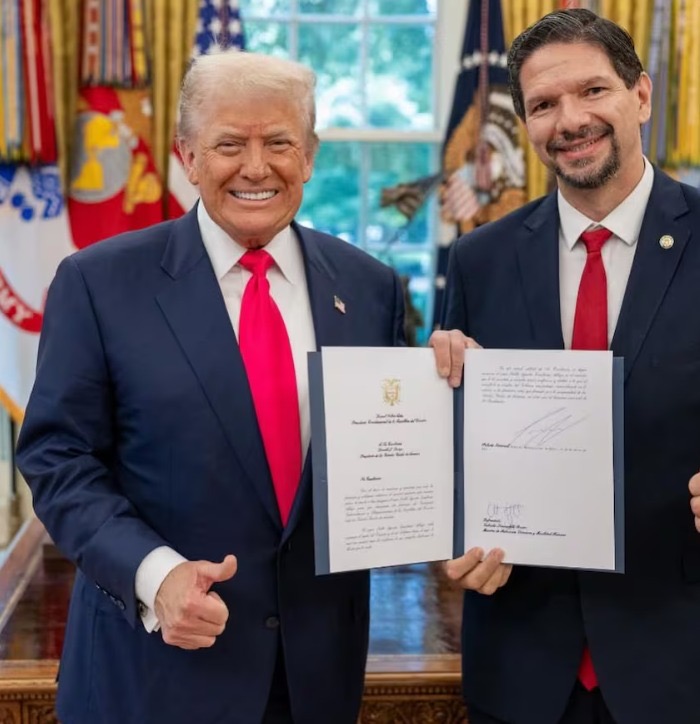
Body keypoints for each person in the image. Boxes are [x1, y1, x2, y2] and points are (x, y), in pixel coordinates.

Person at [15, 51, 461, 724]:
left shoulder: (369, 287)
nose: (256, 167)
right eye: (230, 145)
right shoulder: (98, 283)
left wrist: (454, 392)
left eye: (279, 142)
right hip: (155, 673)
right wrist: (155, 573)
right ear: (188, 157)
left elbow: (386, 452)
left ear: (309, 157)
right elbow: (57, 461)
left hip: (315, 679)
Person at [432, 8, 700, 724]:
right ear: (524, 123)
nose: (570, 120)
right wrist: (452, 529)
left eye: (592, 91)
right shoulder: (479, 260)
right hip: (519, 666)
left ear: (641, 95)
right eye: (544, 104)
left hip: (680, 662)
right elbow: (457, 450)